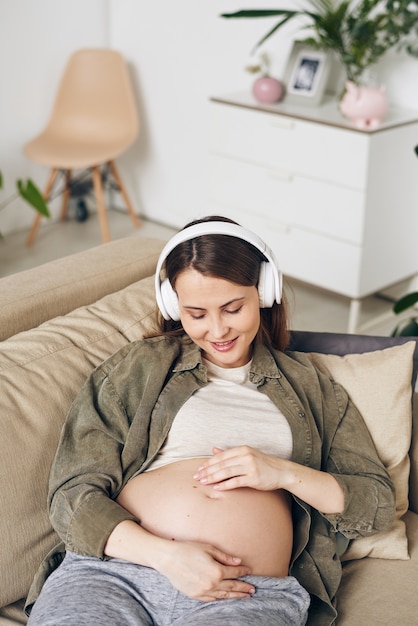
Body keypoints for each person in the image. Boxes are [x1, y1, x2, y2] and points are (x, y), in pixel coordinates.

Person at [26, 216, 395, 626]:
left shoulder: (314, 390)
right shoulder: (137, 369)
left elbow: (375, 506)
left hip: (245, 594)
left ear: (264, 292)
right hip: (112, 575)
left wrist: (284, 474)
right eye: (196, 313)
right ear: (173, 306)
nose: (217, 329)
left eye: (233, 308)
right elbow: (72, 495)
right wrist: (167, 556)